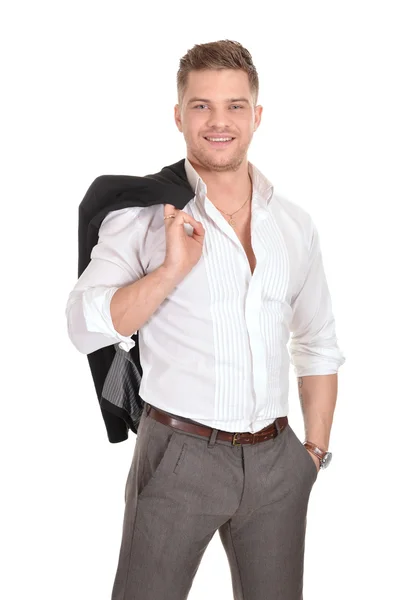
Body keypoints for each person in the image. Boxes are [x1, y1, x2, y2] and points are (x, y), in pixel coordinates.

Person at [66, 39, 345, 600]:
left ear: (256, 115)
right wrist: (170, 271)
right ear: (178, 115)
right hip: (178, 455)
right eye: (202, 106)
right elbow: (83, 325)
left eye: (235, 106)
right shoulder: (143, 216)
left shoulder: (292, 223)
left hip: (277, 464)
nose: (219, 121)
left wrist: (311, 457)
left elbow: (315, 341)